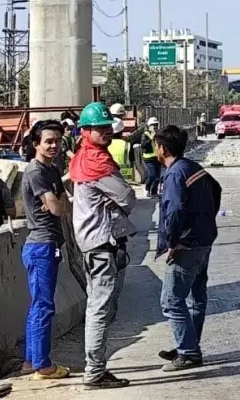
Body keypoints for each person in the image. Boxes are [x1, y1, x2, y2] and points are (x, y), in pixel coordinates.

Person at [70, 101, 136, 390]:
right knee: (100, 308)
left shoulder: (88, 157)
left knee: (102, 308)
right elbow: (128, 198)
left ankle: (97, 368)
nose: (106, 132)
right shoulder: (95, 163)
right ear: (86, 131)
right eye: (99, 128)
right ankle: (94, 372)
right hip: (101, 244)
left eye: (108, 127)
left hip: (98, 242)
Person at [156, 124, 221, 373]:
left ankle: (188, 351)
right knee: (196, 298)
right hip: (204, 240)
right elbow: (217, 191)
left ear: (161, 148)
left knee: (171, 300)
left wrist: (173, 243)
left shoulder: (174, 174)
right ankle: (188, 343)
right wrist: (205, 221)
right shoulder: (194, 168)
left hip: (188, 244)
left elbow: (173, 211)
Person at [20, 120, 71, 381]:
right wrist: (55, 200)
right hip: (41, 245)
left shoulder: (52, 170)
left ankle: (31, 361)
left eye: (57, 141)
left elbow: (61, 202)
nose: (54, 146)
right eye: (48, 141)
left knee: (38, 305)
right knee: (43, 307)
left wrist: (56, 200)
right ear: (35, 144)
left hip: (48, 244)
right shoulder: (36, 172)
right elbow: (59, 208)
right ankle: (43, 365)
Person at [140, 117, 161, 198]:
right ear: (149, 126)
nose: (155, 127)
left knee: (157, 177)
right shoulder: (145, 134)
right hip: (148, 158)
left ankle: (154, 192)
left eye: (156, 125)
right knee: (152, 175)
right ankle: (147, 188)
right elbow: (143, 145)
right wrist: (151, 138)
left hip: (157, 158)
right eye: (153, 125)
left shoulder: (158, 134)